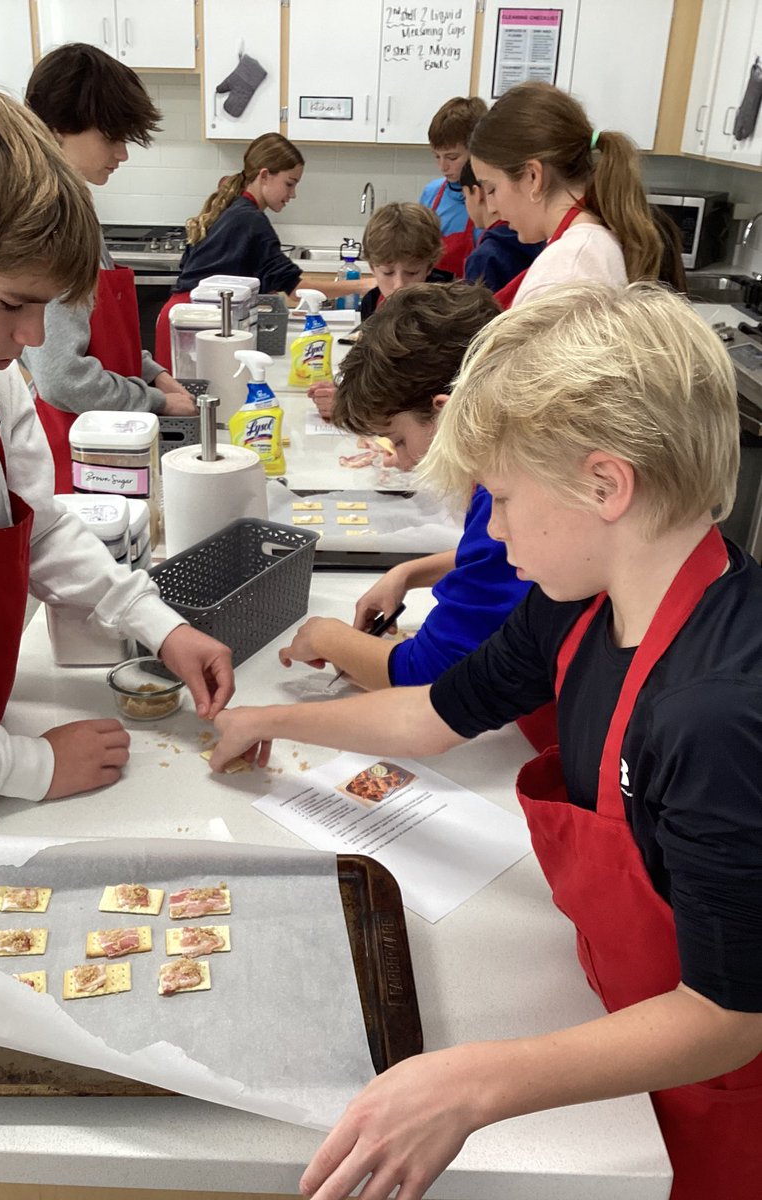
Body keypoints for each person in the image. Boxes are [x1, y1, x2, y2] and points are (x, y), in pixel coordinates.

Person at [210, 283, 762, 1200]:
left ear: (604, 483)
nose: (491, 531)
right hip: (601, 1010)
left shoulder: (717, 714)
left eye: (500, 497)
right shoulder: (575, 604)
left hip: (708, 1092)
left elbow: (731, 1012)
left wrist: (472, 1083)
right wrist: (270, 721)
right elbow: (432, 711)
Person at [0, 78, 234, 898]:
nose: (34, 339)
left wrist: (156, 623)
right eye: (12, 304)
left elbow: (41, 526)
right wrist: (35, 764)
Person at [287, 280, 533, 694]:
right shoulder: (507, 466)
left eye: (399, 440)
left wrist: (326, 637)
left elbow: (430, 673)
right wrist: (409, 572)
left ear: (447, 410)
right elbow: (492, 559)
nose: (401, 460)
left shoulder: (512, 496)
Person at [21, 43, 195, 493]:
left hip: (108, 446)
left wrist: (150, 370)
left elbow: (93, 336)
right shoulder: (50, 221)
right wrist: (155, 401)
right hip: (78, 460)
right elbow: (61, 376)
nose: (122, 154)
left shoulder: (74, 211)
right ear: (59, 128)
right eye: (111, 137)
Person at [154, 133, 367, 368]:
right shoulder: (250, 219)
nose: (292, 194)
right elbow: (296, 289)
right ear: (264, 175)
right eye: (290, 183)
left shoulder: (235, 209)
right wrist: (364, 285)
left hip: (187, 317)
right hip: (194, 322)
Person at [469, 81, 662, 308]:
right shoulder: (586, 247)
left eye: (491, 188)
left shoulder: (565, 272)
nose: (491, 207)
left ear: (533, 177)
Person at [307, 203, 451, 423]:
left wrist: (353, 404)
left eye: (412, 272)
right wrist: (346, 390)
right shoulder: (373, 302)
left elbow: (426, 395)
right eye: (387, 272)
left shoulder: (445, 312)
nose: (399, 285)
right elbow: (376, 370)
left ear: (430, 267)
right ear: (372, 267)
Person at [419, 96, 488, 277]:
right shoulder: (431, 193)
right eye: (436, 156)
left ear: (476, 151)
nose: (443, 167)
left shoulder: (491, 200)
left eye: (452, 158)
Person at [458, 158, 543, 293]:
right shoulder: (540, 239)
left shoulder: (483, 257)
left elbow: (475, 313)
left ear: (477, 194)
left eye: (464, 197)